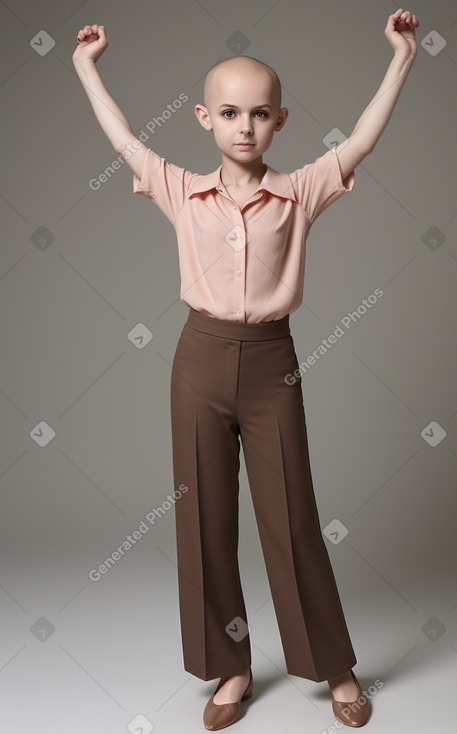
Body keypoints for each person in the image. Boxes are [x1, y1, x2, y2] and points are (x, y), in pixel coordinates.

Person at [73, 8, 419, 730]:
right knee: (202, 519)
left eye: (260, 114)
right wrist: (85, 66)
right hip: (196, 360)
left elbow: (360, 139)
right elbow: (123, 139)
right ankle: (230, 667)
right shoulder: (178, 189)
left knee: (289, 518)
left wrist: (400, 57)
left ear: (280, 120)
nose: (244, 126)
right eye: (229, 112)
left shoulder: (300, 192)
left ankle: (333, 665)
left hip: (271, 365)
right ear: (203, 117)